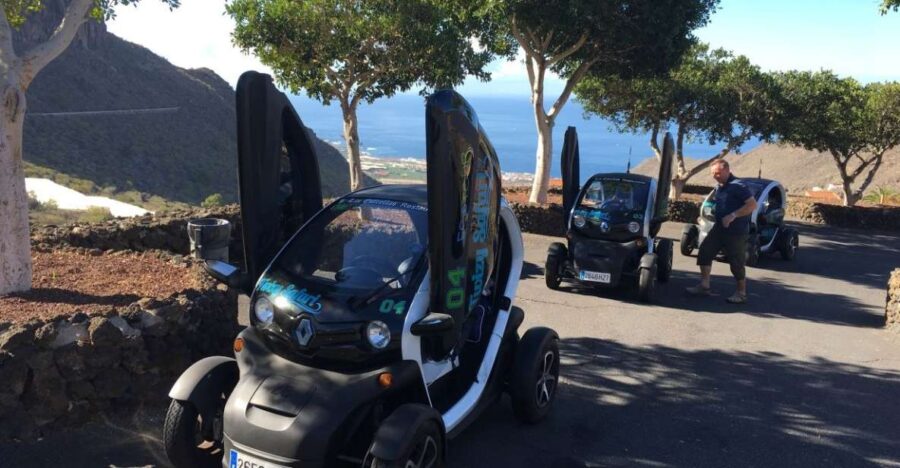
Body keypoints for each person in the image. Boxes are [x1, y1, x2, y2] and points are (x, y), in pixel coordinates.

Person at [687, 159, 757, 304]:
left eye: (717, 173)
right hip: (719, 228)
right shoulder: (720, 186)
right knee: (705, 251)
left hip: (736, 231)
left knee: (736, 262)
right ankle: (704, 286)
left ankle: (741, 293)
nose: (715, 176)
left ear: (727, 170)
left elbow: (752, 205)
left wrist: (733, 215)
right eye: (713, 173)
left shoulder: (739, 186)